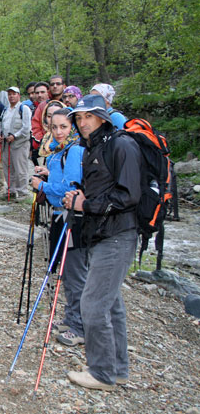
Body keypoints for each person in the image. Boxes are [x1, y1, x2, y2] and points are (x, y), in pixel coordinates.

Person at [63, 94, 141, 390]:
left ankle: (102, 374)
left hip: (118, 234)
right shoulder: (92, 147)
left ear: (103, 118)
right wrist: (79, 196)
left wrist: (86, 206)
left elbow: (127, 195)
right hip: (103, 233)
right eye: (79, 118)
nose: (82, 123)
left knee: (93, 303)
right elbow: (100, 190)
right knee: (111, 305)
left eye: (89, 117)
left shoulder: (121, 145)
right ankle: (116, 369)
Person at [30, 108, 87, 348]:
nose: (59, 132)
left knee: (74, 272)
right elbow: (61, 179)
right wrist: (49, 173)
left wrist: (42, 187)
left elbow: (69, 189)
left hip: (70, 217)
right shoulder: (59, 151)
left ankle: (80, 326)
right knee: (66, 270)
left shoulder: (73, 151)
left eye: (64, 127)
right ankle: (72, 318)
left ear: (72, 127)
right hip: (59, 216)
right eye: (54, 127)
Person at [0, 86, 32, 198]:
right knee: (8, 167)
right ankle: (11, 190)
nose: (11, 96)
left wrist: (15, 136)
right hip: (7, 144)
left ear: (19, 95)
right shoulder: (5, 110)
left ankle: (22, 192)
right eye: (9, 94)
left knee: (20, 168)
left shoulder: (24, 108)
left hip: (20, 144)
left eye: (14, 94)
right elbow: (1, 125)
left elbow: (26, 128)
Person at [30, 82, 51, 165]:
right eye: (37, 93)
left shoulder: (55, 105)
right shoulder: (33, 108)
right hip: (39, 147)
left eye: (42, 92)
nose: (39, 95)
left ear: (48, 92)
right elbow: (34, 127)